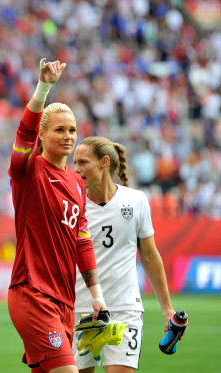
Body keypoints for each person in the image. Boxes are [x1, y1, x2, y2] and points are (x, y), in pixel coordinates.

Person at [7, 58, 109, 373]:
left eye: (72, 130)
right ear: (42, 134)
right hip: (32, 293)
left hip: (65, 303)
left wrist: (97, 296)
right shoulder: (27, 171)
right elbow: (23, 133)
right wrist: (44, 87)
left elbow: (82, 241)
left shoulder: (78, 184)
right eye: (60, 130)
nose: (68, 136)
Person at [72, 137, 176, 373]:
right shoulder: (71, 204)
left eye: (83, 162)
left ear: (104, 163)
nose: (76, 169)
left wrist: (167, 308)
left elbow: (150, 257)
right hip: (80, 310)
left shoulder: (136, 200)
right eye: (74, 162)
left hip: (124, 309)